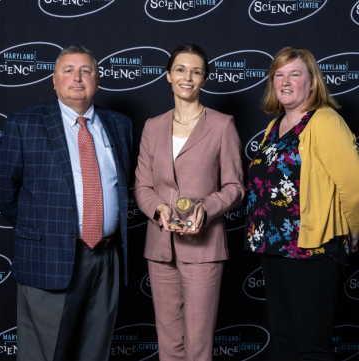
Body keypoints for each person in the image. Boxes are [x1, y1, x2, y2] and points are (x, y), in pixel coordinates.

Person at [0, 44, 132, 361]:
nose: (78, 78)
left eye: (86, 71)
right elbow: (6, 193)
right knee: (43, 354)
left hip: (107, 256)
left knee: (95, 351)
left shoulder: (120, 125)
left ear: (97, 80)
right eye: (68, 71)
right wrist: (48, 230)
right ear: (54, 80)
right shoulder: (25, 124)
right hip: (49, 256)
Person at [244, 46, 359, 360]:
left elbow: (354, 185)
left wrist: (354, 229)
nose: (285, 81)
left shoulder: (325, 121)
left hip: (312, 250)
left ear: (312, 82)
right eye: (278, 75)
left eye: (294, 74)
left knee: (312, 346)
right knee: (288, 342)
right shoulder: (273, 127)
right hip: (273, 249)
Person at [133, 43, 245, 361]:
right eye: (181, 69)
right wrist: (159, 208)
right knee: (168, 342)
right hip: (160, 246)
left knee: (198, 344)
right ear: (168, 76)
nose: (188, 76)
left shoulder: (222, 125)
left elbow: (235, 186)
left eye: (196, 71)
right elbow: (142, 186)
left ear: (204, 80)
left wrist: (205, 209)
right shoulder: (153, 127)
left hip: (203, 245)